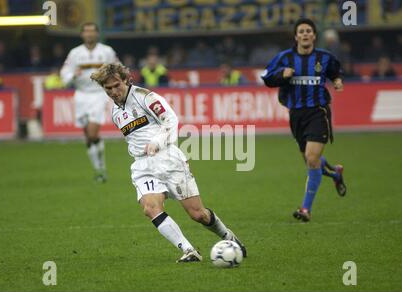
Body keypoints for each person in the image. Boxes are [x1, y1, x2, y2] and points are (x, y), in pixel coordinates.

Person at [90, 63, 247, 262]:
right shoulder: (115, 112)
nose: (113, 91)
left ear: (126, 80)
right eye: (108, 88)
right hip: (142, 165)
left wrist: (157, 141)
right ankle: (189, 250)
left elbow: (170, 120)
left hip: (168, 159)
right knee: (150, 208)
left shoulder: (146, 97)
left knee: (198, 214)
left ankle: (229, 237)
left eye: (116, 85)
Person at [261, 18, 347, 222]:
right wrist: (282, 74)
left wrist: (337, 81)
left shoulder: (325, 57)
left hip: (318, 112)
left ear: (314, 35)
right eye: (301, 31)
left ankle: (305, 209)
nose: (305, 34)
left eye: (309, 31)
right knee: (310, 160)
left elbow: (335, 72)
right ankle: (335, 173)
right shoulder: (284, 58)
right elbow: (267, 78)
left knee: (312, 158)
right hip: (296, 115)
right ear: (296, 36)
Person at [60, 22, 118, 183]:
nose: (89, 34)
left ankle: (101, 169)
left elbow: (117, 69)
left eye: (92, 31)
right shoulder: (75, 53)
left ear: (97, 34)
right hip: (81, 95)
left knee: (92, 133)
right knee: (88, 137)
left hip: (99, 94)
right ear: (82, 34)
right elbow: (65, 72)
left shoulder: (106, 52)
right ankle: (99, 170)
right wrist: (72, 75)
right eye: (86, 31)